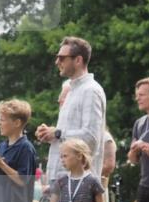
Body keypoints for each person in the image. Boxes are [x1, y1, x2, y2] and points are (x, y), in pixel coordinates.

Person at [36, 36, 107, 183]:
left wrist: (57, 133)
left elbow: (91, 138)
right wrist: (49, 134)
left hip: (78, 183)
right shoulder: (72, 90)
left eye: (62, 58)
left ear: (78, 60)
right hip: (63, 180)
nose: (57, 62)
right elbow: (67, 137)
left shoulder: (91, 91)